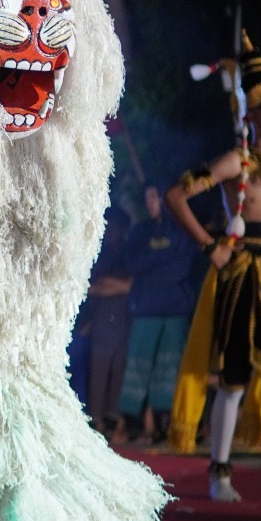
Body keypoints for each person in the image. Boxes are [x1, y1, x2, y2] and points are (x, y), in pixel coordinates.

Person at [165, 37, 261, 501]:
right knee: (233, 376)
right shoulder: (237, 161)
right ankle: (219, 475)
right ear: (255, 114)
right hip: (243, 271)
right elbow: (176, 196)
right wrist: (211, 246)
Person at [115, 183, 199, 443]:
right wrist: (163, 261)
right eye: (147, 198)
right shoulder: (140, 231)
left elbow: (184, 265)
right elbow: (132, 263)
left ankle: (163, 425)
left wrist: (153, 266)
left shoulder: (184, 229)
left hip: (176, 308)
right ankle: (131, 423)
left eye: (155, 197)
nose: (150, 202)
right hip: (146, 308)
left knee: (169, 367)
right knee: (138, 365)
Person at [85, 207, 133, 435]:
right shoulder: (99, 254)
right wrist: (115, 286)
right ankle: (96, 421)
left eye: (116, 227)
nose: (112, 231)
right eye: (109, 226)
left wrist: (111, 286)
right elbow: (92, 286)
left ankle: (114, 419)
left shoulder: (129, 254)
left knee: (119, 376)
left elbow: (131, 285)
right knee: (98, 374)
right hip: (101, 323)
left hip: (124, 322)